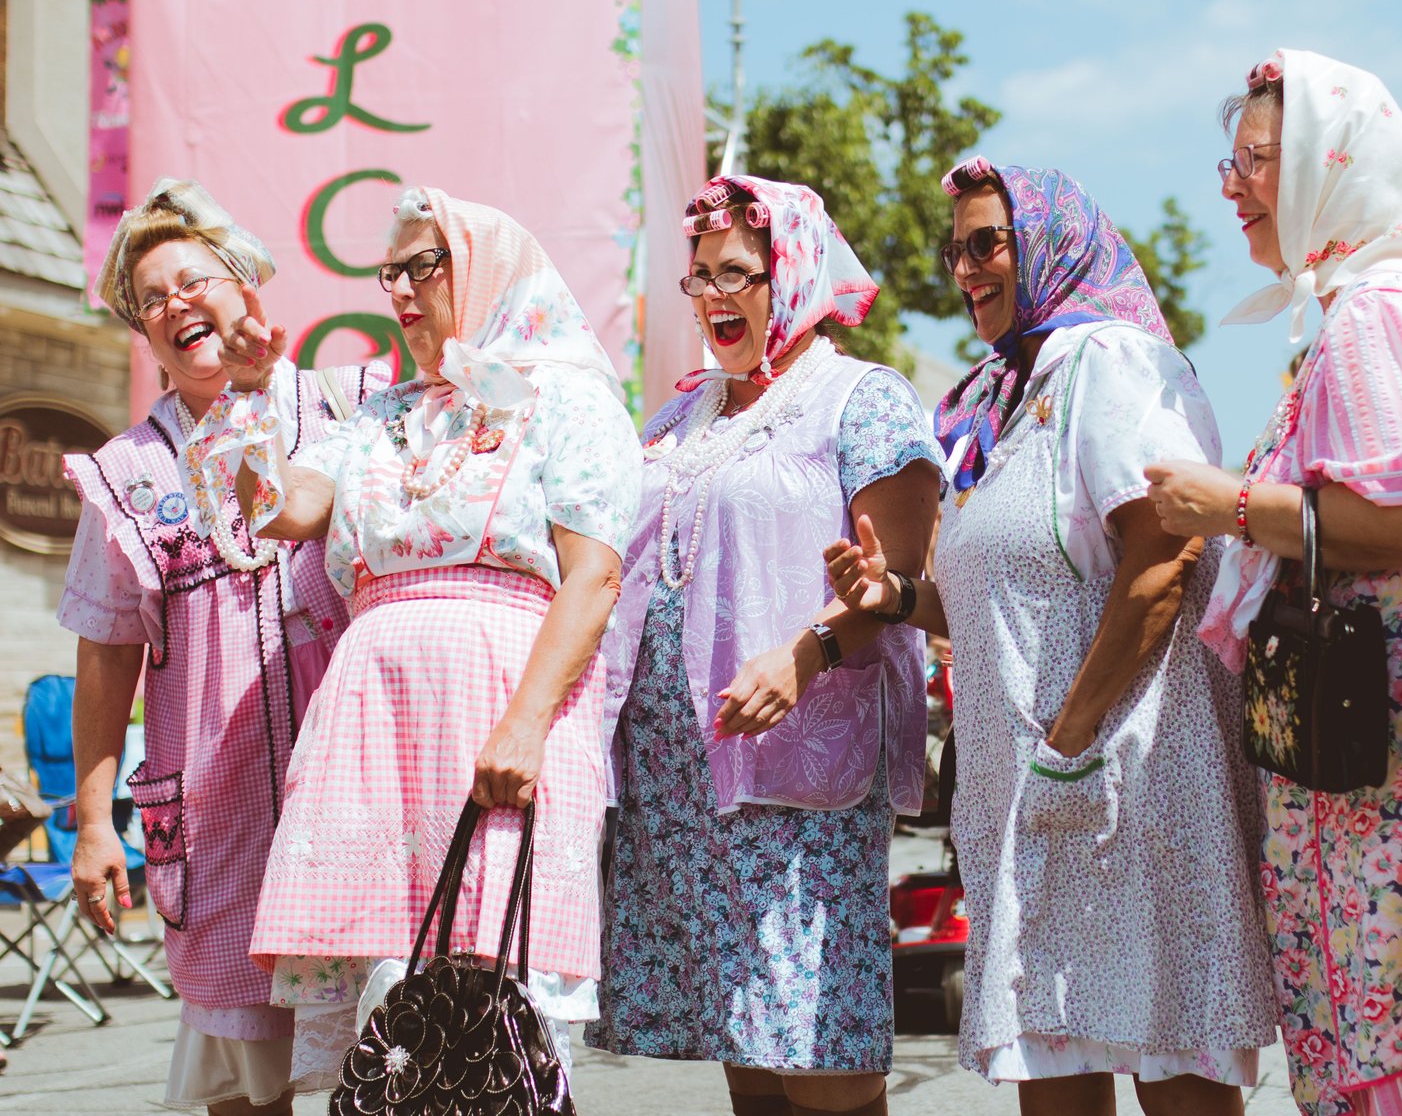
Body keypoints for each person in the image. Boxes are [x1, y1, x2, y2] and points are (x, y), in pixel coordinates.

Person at [1143, 51, 1402, 1116]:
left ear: (1333, 167)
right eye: (1229, 160)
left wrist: (1221, 505)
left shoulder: (1381, 309)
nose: (1232, 185)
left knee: (1389, 1043)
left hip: (1389, 733)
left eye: (1258, 161)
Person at [826, 159, 1275, 1116]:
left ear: (1050, 245)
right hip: (1037, 792)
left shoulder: (1112, 362)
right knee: (1053, 1065)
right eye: (956, 249)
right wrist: (902, 594)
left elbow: (1165, 563)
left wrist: (1068, 744)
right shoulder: (1003, 396)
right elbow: (1000, 615)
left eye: (988, 242)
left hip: (1131, 779)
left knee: (1172, 1058)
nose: (965, 268)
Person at [193, 186, 641, 1090]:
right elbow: (280, 508)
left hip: (497, 712)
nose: (397, 288)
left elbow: (592, 577)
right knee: (390, 1026)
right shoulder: (378, 416)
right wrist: (248, 392)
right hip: (374, 732)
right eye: (386, 271)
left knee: (489, 1019)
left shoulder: (565, 400)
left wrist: (523, 725)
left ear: (483, 271)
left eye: (420, 266)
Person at [588, 176, 939, 1116]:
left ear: (791, 268)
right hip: (682, 779)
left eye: (736, 273)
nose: (711, 297)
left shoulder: (860, 400)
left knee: (820, 1053)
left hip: (796, 770)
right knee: (748, 1039)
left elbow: (896, 583)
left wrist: (805, 651)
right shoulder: (680, 414)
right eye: (696, 276)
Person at [60, 179, 384, 1115]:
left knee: (393, 1049)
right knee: (247, 1084)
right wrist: (91, 822)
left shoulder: (354, 405)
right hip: (222, 808)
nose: (174, 306)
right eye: (152, 300)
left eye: (193, 280)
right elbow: (105, 654)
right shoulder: (127, 476)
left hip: (358, 790)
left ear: (247, 286)